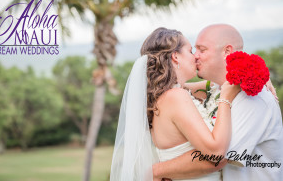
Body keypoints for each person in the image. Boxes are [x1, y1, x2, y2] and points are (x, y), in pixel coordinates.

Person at [152, 24, 283, 181]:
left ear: (227, 51)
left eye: (202, 50)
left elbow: (217, 159)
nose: (196, 56)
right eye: (193, 50)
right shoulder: (218, 88)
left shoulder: (252, 95)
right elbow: (177, 89)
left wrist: (158, 170)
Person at [110, 27, 241, 181]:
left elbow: (214, 85)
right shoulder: (175, 97)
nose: (196, 57)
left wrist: (258, 78)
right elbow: (216, 153)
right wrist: (225, 98)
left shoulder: (168, 96)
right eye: (191, 51)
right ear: (176, 56)